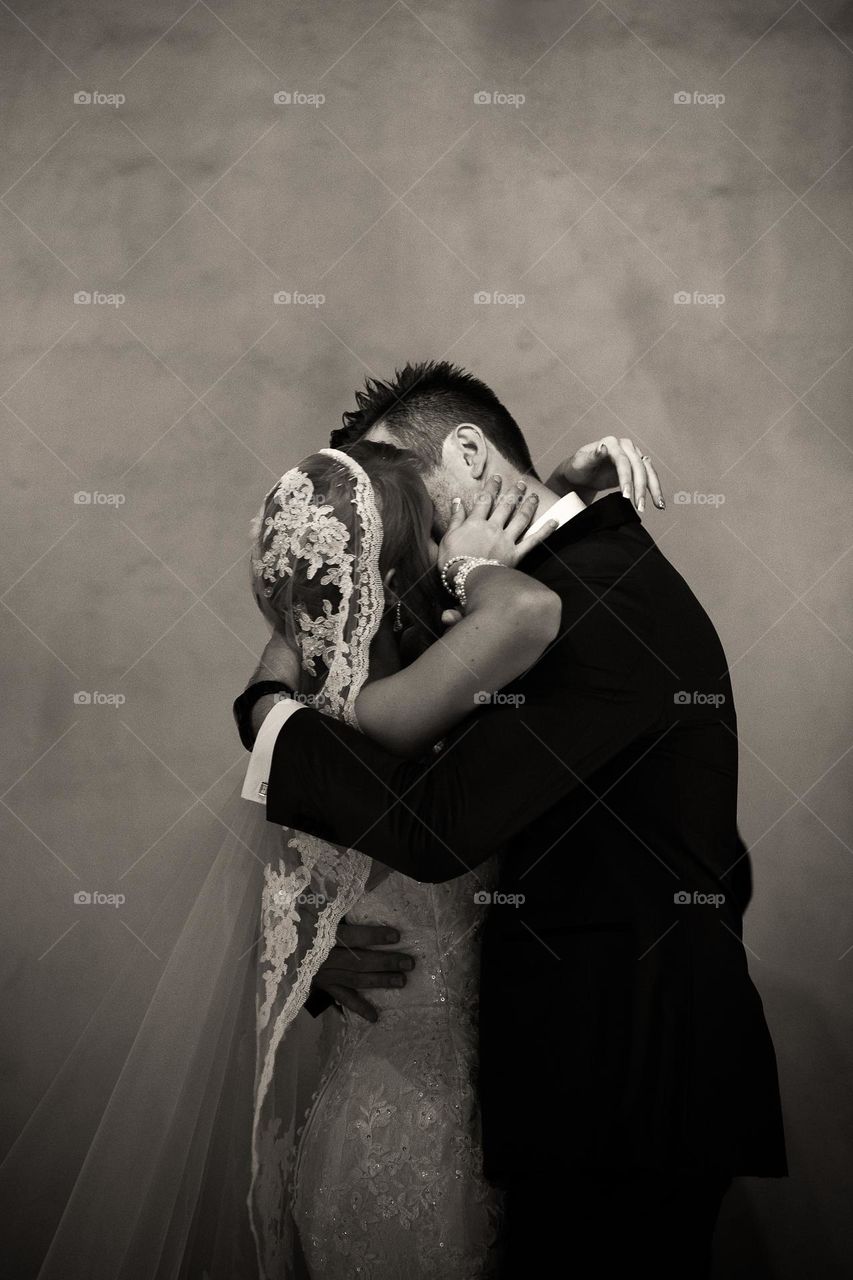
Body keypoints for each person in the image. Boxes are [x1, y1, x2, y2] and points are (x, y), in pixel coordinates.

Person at [238, 361, 787, 1279]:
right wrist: (318, 935)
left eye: (405, 495)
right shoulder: (517, 597)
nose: (397, 534)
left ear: (466, 452)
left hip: (625, 1090)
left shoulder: (594, 600)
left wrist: (264, 709)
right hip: (546, 1089)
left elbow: (434, 828)